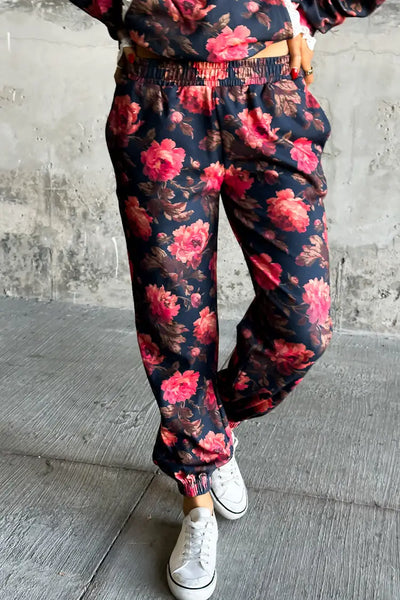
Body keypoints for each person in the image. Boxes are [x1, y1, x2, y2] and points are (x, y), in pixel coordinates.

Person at [68, 1, 386, 598]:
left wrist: (306, 12)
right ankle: (196, 496)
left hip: (269, 96)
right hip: (157, 97)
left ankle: (211, 427)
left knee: (302, 327)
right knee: (173, 319)